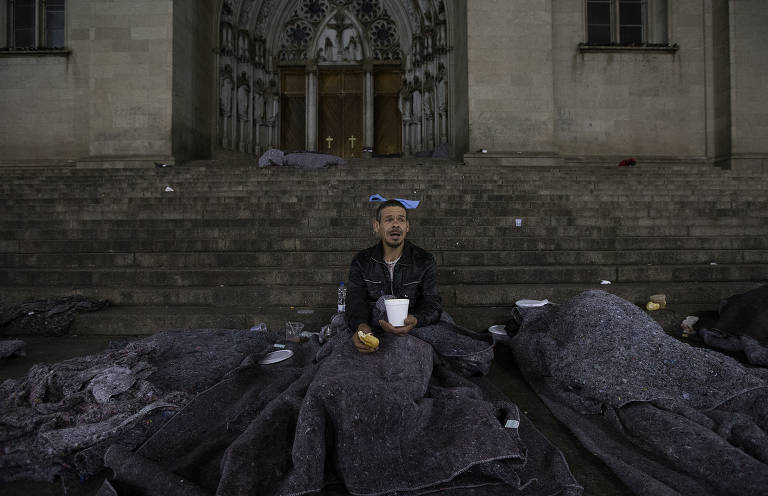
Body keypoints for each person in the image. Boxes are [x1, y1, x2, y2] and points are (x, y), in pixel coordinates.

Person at [347, 199, 442, 353]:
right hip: (375, 328)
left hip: (411, 329)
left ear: (407, 226)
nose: (396, 224)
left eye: (401, 220)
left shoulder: (424, 260)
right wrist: (362, 327)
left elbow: (432, 303)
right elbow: (355, 302)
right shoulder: (361, 261)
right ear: (377, 226)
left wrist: (415, 319)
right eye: (389, 219)